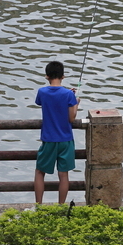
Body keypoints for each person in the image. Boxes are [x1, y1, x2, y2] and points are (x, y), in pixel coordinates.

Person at [34, 61, 80, 204]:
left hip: (48, 139)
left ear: (47, 76)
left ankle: (39, 206)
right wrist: (76, 102)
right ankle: (60, 206)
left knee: (40, 172)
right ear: (63, 76)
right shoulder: (68, 94)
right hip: (66, 140)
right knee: (63, 175)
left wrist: (69, 97)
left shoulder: (42, 92)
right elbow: (71, 118)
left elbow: (43, 101)